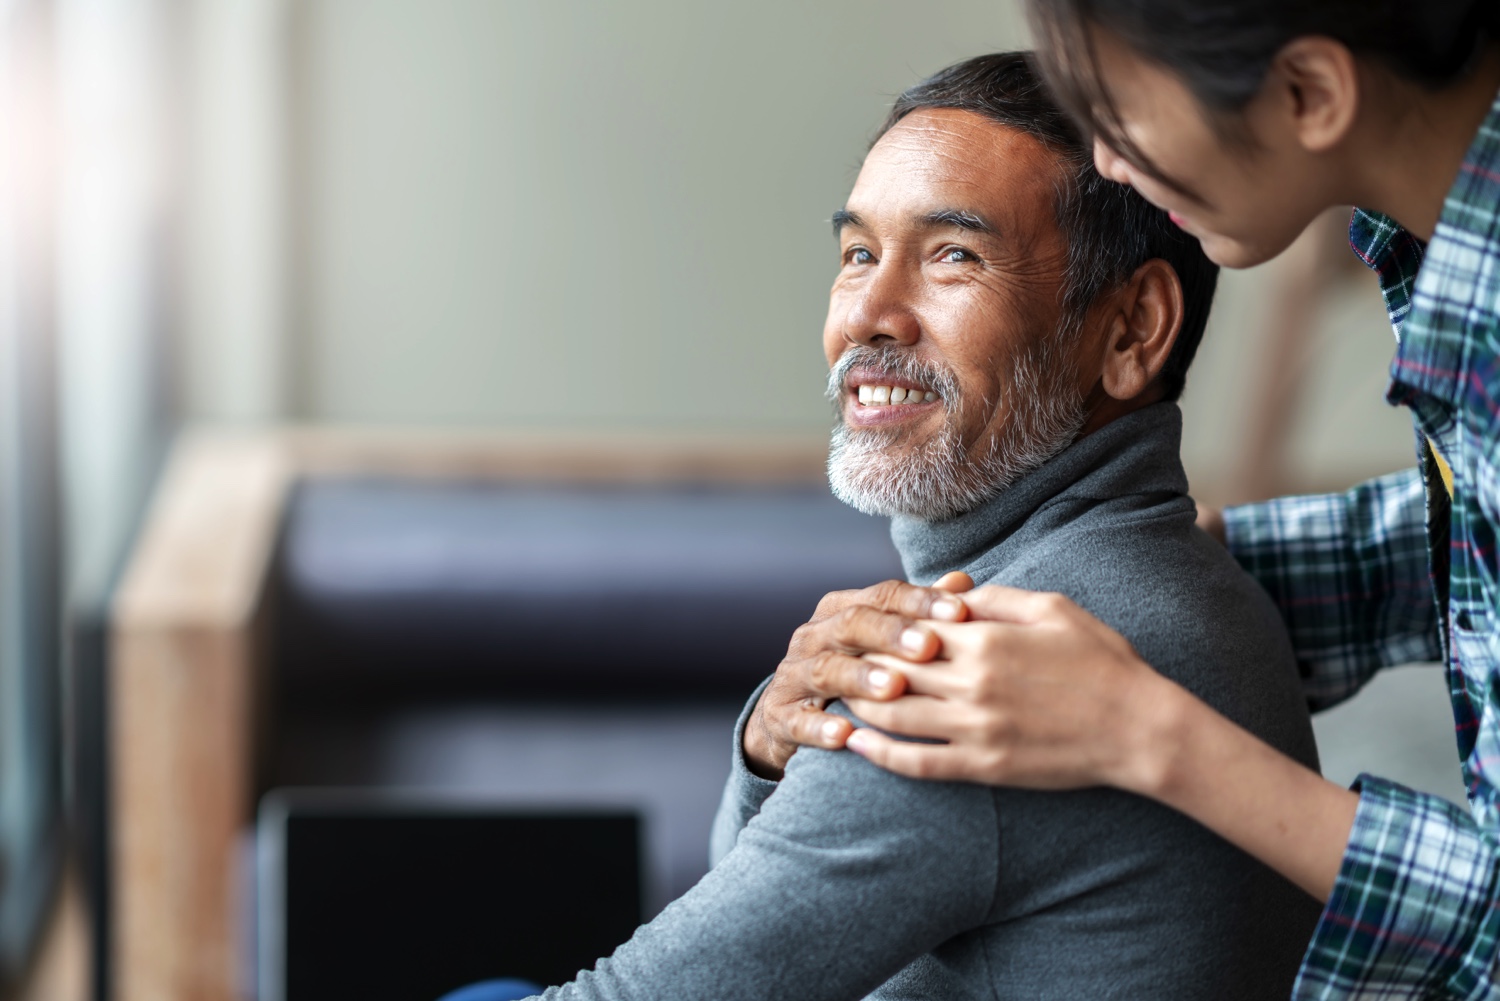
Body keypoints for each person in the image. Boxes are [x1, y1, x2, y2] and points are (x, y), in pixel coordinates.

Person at [443, 51, 1321, 1001]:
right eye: (858, 253)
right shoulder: (1189, 582)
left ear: (1131, 330)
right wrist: (768, 751)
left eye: (953, 255)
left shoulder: (990, 678)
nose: (866, 314)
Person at [748, 4, 1500, 999]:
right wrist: (1183, 587)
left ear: (1308, 93)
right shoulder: (1437, 257)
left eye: (1123, 107)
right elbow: (1472, 527)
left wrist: (1148, 727)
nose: (1106, 161)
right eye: (857, 252)